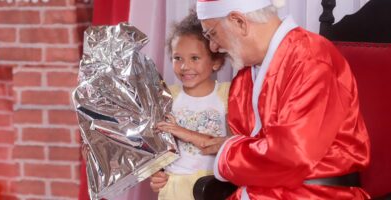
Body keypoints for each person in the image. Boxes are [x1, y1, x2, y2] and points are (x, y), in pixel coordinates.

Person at [152, 0, 371, 199]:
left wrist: (228, 150)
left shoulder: (311, 59)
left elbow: (292, 156)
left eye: (212, 35)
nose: (214, 47)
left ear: (239, 22)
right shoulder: (245, 76)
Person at [151, 11, 231, 200]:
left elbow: (232, 143)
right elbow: (156, 143)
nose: (185, 66)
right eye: (178, 58)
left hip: (211, 188)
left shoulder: (228, 95)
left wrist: (181, 131)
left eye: (194, 58)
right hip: (173, 189)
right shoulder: (167, 96)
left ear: (216, 61)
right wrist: (156, 173)